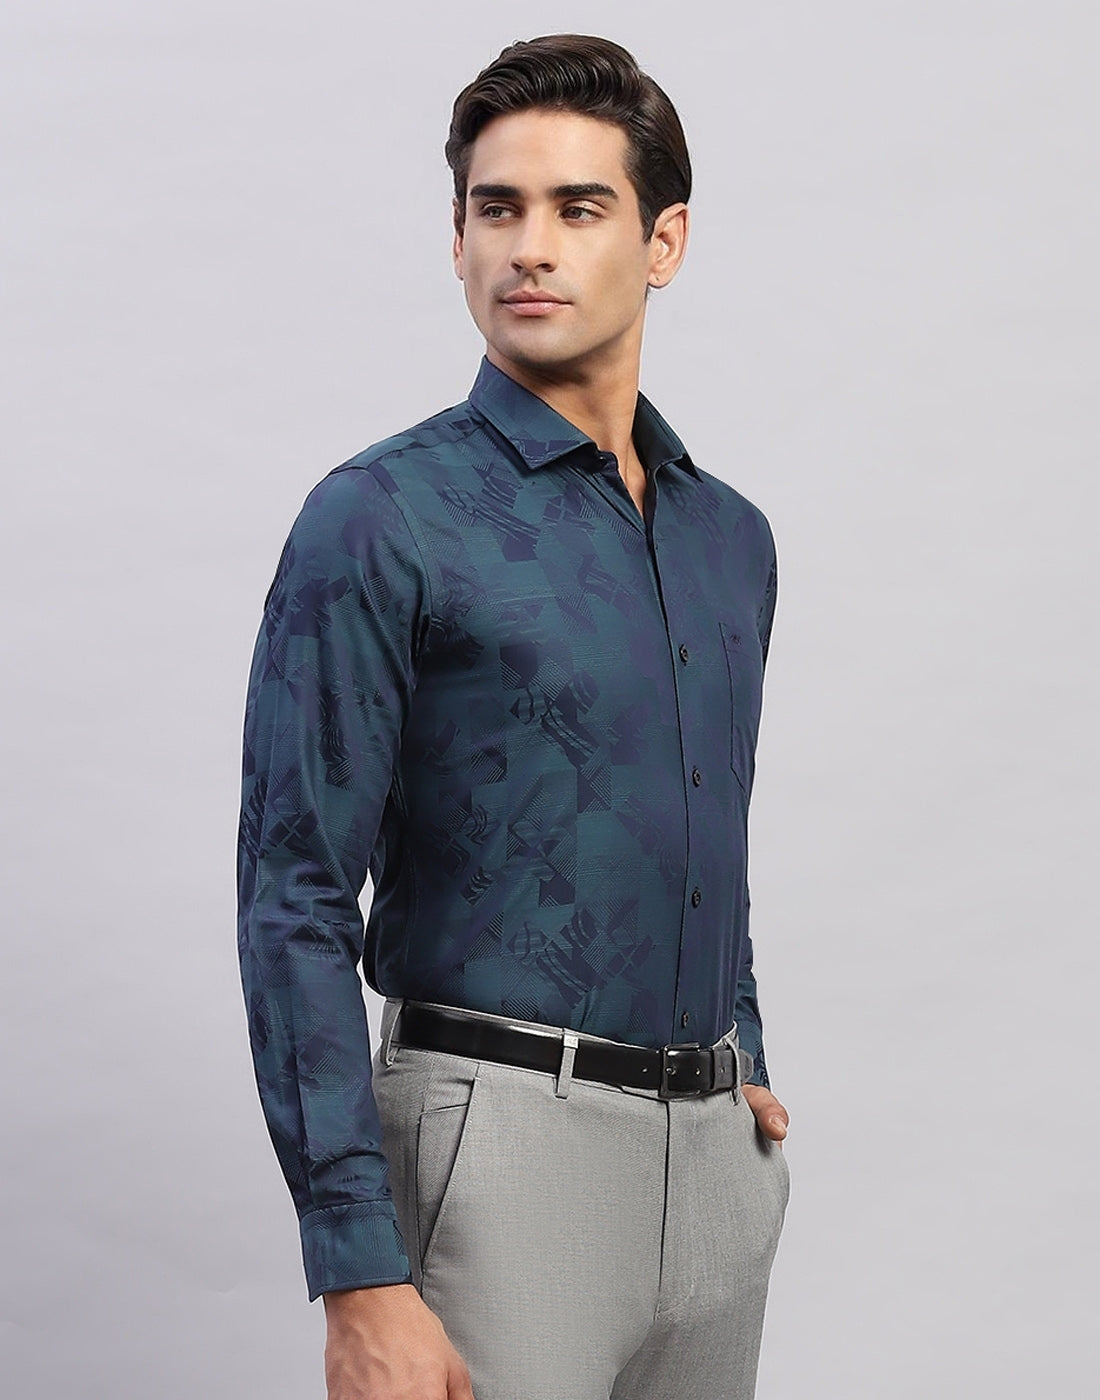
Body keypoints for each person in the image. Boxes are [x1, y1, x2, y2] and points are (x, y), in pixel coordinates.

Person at [237, 32, 790, 1400]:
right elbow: (294, 898)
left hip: (716, 1176)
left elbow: (696, 813)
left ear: (663, 242)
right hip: (498, 1163)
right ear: (457, 238)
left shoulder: (730, 539)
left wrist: (743, 1044)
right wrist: (356, 1266)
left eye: (577, 208)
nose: (528, 248)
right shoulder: (382, 517)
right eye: (498, 208)